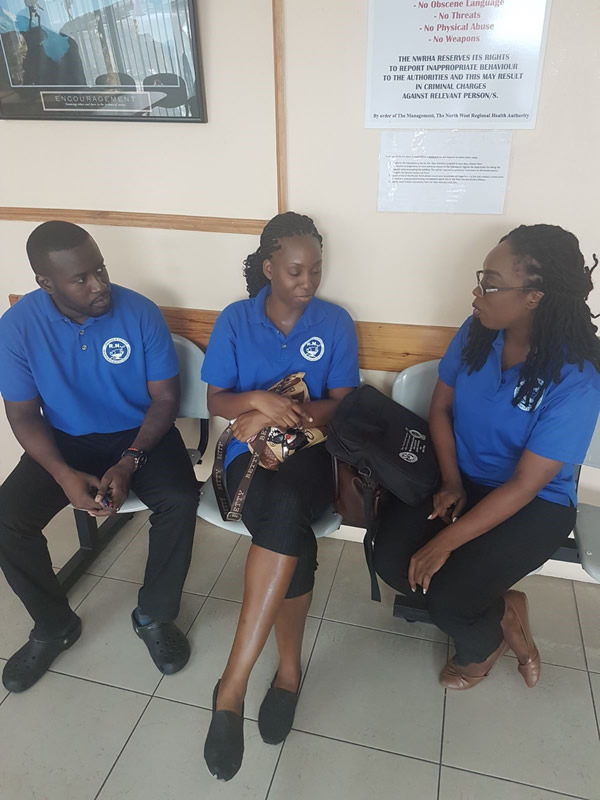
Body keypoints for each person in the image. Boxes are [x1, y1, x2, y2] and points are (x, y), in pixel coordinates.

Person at [374, 224, 600, 691]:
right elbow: (439, 408)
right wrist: (452, 481)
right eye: (482, 278)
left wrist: (446, 541)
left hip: (535, 504)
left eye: (490, 284)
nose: (477, 292)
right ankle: (502, 606)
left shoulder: (575, 379)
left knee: (452, 599)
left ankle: (485, 646)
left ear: (534, 296)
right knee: (394, 559)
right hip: (464, 476)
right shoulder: (478, 331)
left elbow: (525, 486)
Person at [0, 221, 199, 693]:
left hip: (140, 434)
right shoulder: (16, 327)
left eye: (101, 269)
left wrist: (129, 460)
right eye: (81, 279)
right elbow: (25, 415)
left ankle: (153, 615)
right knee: (6, 518)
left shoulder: (140, 312)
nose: (99, 284)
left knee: (179, 499)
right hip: (65, 438)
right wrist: (64, 474)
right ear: (45, 283)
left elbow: (165, 401)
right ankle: (54, 626)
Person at [201, 212, 359, 781]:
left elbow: (343, 401)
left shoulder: (334, 322)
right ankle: (286, 671)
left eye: (316, 269)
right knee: (289, 526)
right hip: (252, 454)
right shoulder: (236, 319)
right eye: (295, 269)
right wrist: (257, 405)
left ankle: (233, 685)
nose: (308, 280)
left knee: (289, 508)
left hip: (314, 451)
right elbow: (218, 398)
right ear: (268, 267)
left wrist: (280, 415)